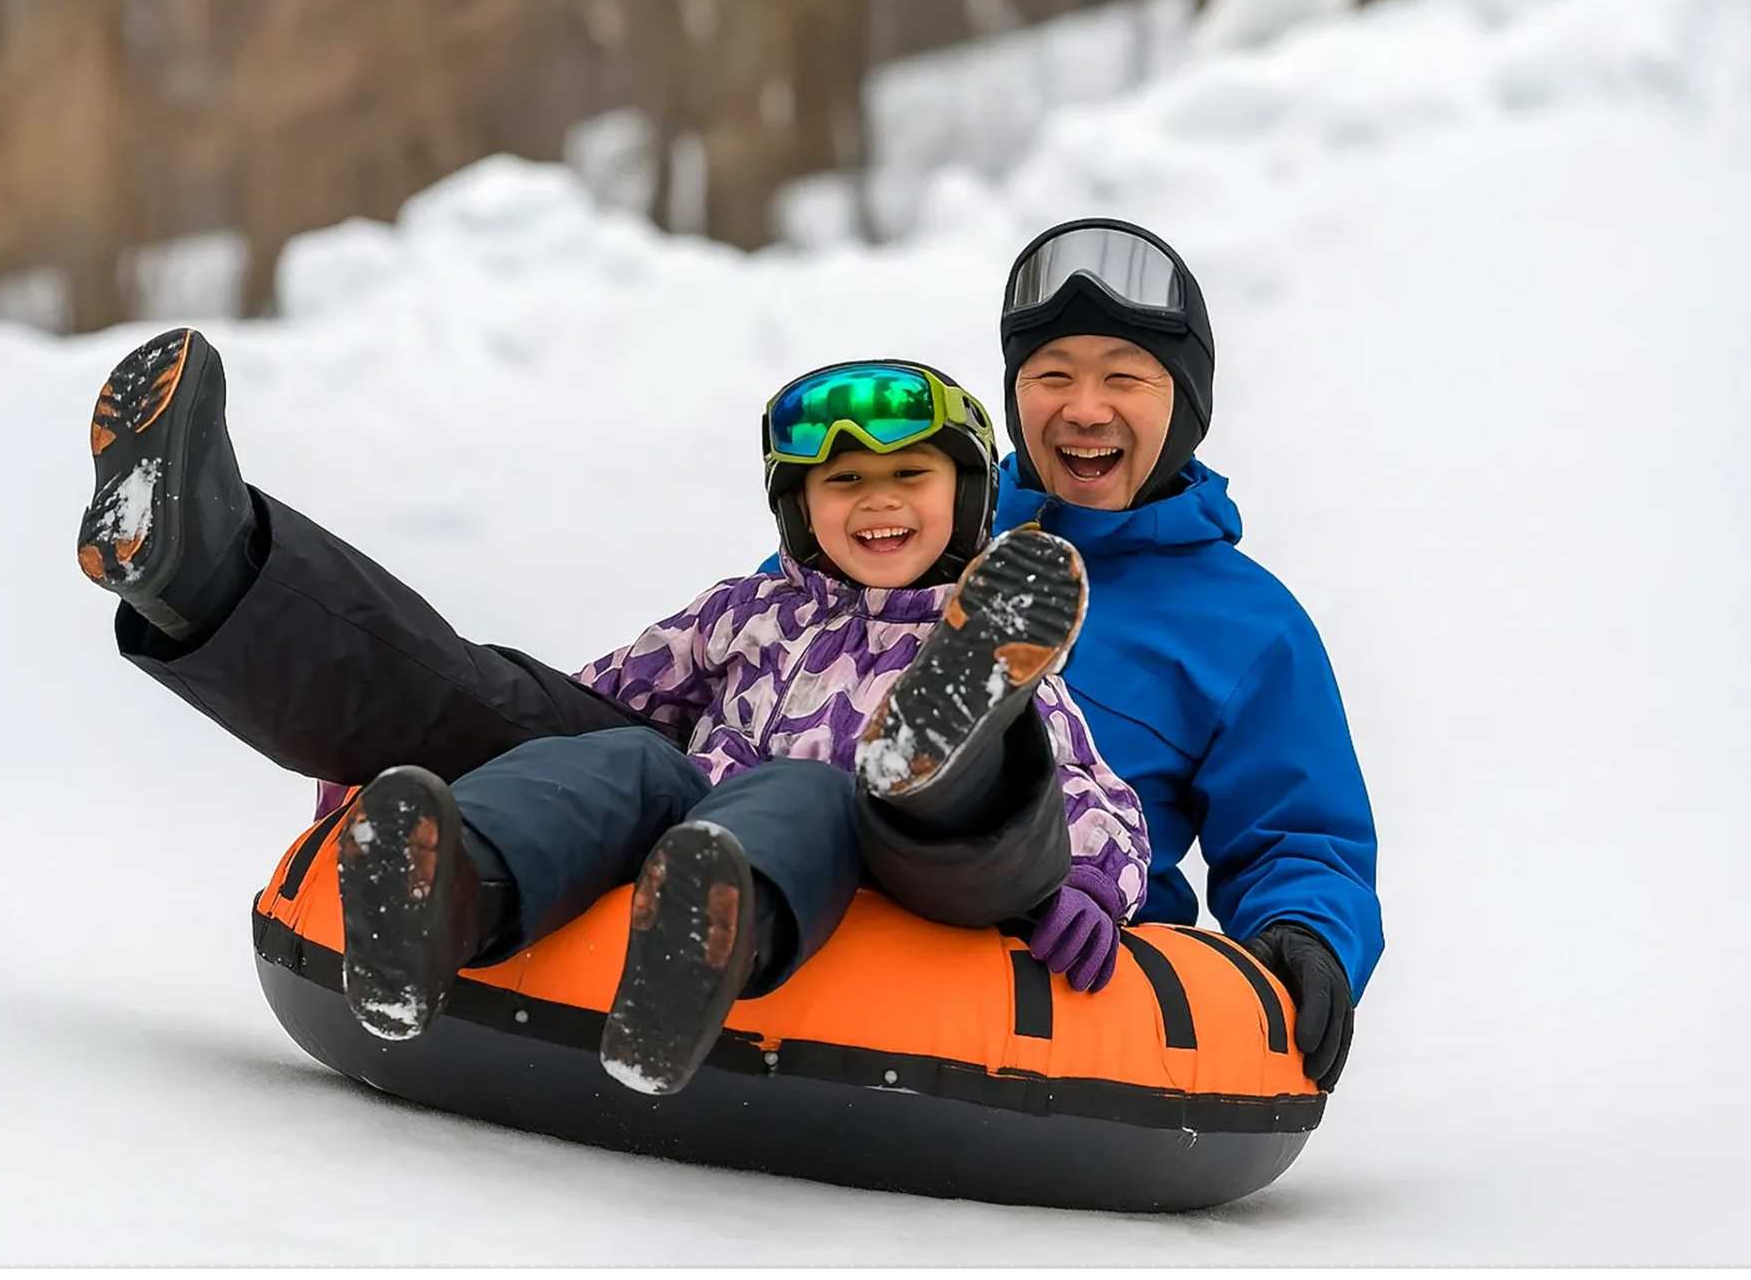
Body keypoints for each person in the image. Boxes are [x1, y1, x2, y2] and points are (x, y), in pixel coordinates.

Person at [317, 359, 1148, 1097]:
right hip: (686, 820)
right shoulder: (742, 612)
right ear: (800, 507)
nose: (880, 499)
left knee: (810, 793)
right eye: (844, 481)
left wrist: (1092, 885)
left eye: (909, 473)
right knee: (628, 756)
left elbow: (1089, 788)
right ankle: (452, 886)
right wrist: (438, 761)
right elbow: (593, 699)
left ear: (967, 494)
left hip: (842, 867)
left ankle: (701, 947)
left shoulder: (982, 649)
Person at [985, 218, 1382, 1089]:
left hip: (1074, 985)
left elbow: (1300, 834)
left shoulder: (1248, 626)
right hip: (854, 924)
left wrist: (1305, 933)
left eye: (1124, 378)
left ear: (1187, 403)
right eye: (1052, 376)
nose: (1084, 409)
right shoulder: (920, 536)